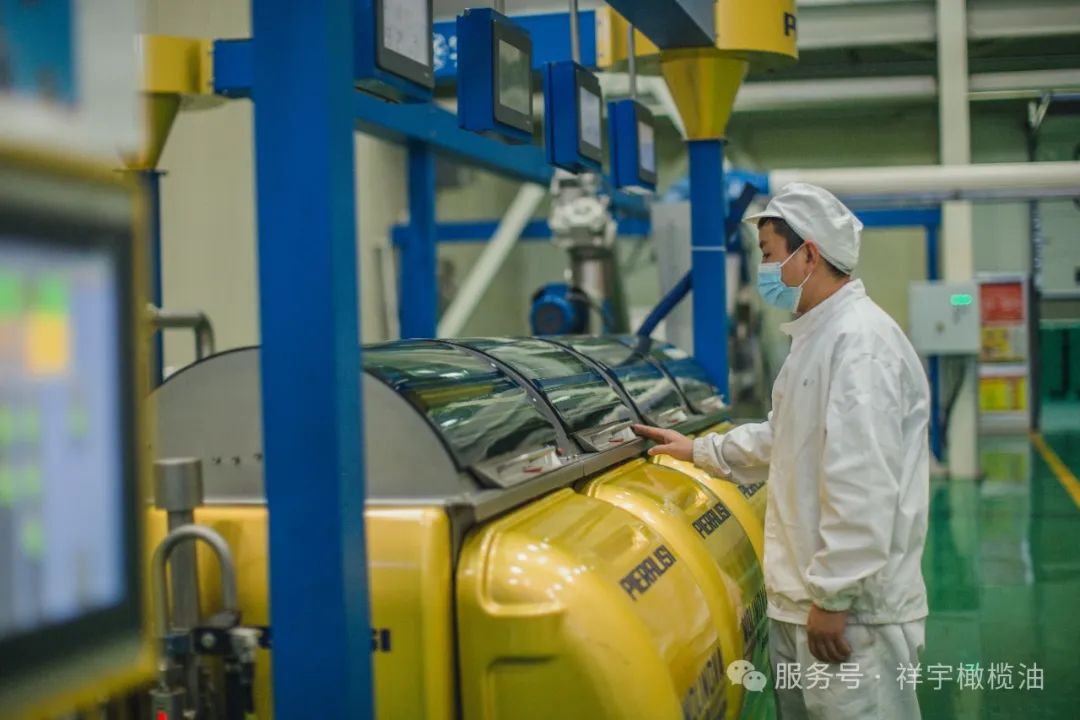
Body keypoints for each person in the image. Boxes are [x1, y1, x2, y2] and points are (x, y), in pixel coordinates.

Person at [633, 183, 930, 719]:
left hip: (852, 617)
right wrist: (699, 450)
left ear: (808, 255)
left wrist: (835, 596)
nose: (765, 269)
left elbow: (863, 482)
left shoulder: (860, 344)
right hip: (806, 603)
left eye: (769, 254)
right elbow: (784, 436)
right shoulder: (817, 339)